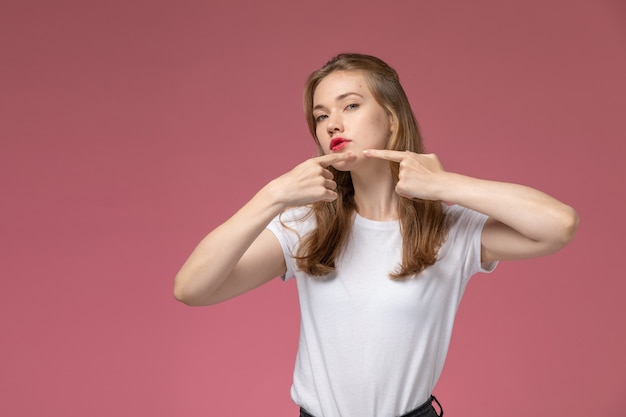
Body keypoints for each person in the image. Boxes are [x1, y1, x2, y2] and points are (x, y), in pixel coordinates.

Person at [174, 53, 579, 417]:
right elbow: (192, 288)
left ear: (392, 118)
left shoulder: (450, 230)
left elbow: (558, 226)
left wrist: (444, 185)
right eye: (320, 115)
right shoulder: (306, 226)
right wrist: (272, 196)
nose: (333, 122)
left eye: (350, 105)